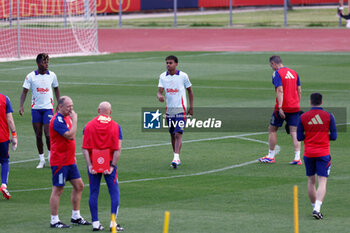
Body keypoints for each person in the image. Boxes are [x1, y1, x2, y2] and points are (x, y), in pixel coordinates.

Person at [49, 96, 91, 228]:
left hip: (69, 160)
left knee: (79, 186)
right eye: (68, 106)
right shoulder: (57, 120)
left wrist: (72, 156)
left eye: (72, 106)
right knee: (58, 189)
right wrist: (75, 120)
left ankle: (75, 216)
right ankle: (54, 220)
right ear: (60, 106)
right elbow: (70, 135)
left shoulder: (66, 117)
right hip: (60, 161)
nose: (71, 109)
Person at [82, 101, 124, 231]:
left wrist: (89, 165)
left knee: (94, 192)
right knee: (114, 192)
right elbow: (118, 149)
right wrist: (112, 166)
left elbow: (84, 148)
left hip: (94, 163)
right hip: (109, 163)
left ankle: (95, 223)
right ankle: (113, 223)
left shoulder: (88, 125)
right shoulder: (116, 126)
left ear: (98, 110)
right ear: (110, 111)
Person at [297, 93, 337, 219]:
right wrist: (325, 137)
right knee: (322, 182)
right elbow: (334, 136)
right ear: (322, 102)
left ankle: (314, 207)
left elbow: (299, 137)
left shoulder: (303, 116)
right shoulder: (329, 116)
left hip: (308, 153)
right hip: (323, 153)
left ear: (310, 102)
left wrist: (309, 137)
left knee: (311, 181)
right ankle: (317, 208)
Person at [259, 55, 302, 165]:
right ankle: (297, 158)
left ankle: (271, 156)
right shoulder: (294, 73)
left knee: (272, 129)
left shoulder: (277, 73)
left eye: (271, 65)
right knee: (294, 132)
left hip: (283, 107)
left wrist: (280, 107)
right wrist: (296, 103)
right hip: (294, 107)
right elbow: (299, 90)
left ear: (273, 63)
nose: (271, 67)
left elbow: (280, 90)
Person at [19, 53, 60, 168]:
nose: (46, 64)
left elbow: (56, 89)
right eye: (44, 62)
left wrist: (59, 103)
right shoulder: (30, 76)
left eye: (47, 62)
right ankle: (41, 160)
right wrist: (21, 106)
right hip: (36, 109)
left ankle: (51, 156)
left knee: (48, 135)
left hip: (48, 109)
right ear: (38, 63)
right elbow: (24, 92)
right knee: (38, 135)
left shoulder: (52, 75)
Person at [157, 55, 194, 169]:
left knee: (178, 134)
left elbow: (190, 91)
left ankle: (176, 157)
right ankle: (176, 157)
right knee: (172, 134)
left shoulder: (183, 76)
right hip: (169, 111)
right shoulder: (163, 76)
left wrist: (191, 107)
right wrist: (160, 97)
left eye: (170, 63)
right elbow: (159, 92)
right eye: (167, 63)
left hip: (181, 110)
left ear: (176, 64)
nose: (168, 65)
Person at [0, 93, 17, 200]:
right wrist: (14, 135)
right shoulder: (4, 99)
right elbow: (9, 119)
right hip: (2, 137)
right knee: (4, 161)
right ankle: (4, 185)